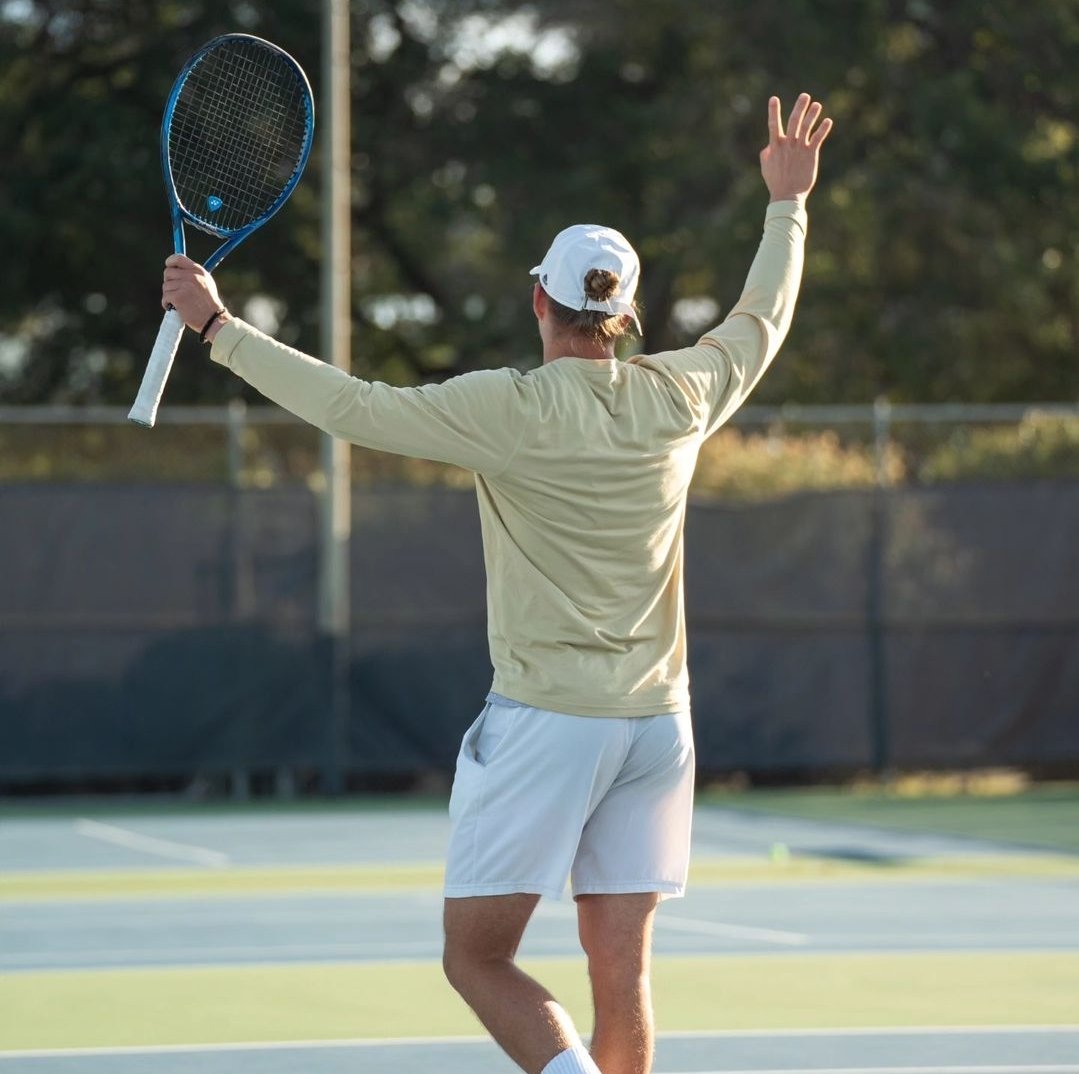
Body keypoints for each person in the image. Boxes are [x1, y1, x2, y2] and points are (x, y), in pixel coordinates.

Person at [162, 92, 832, 1074]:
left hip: (546, 723)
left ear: (539, 302)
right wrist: (787, 205)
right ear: (625, 314)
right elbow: (760, 318)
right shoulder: (680, 394)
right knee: (621, 976)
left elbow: (351, 407)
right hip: (658, 727)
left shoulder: (506, 409)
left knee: (476, 958)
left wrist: (218, 328)